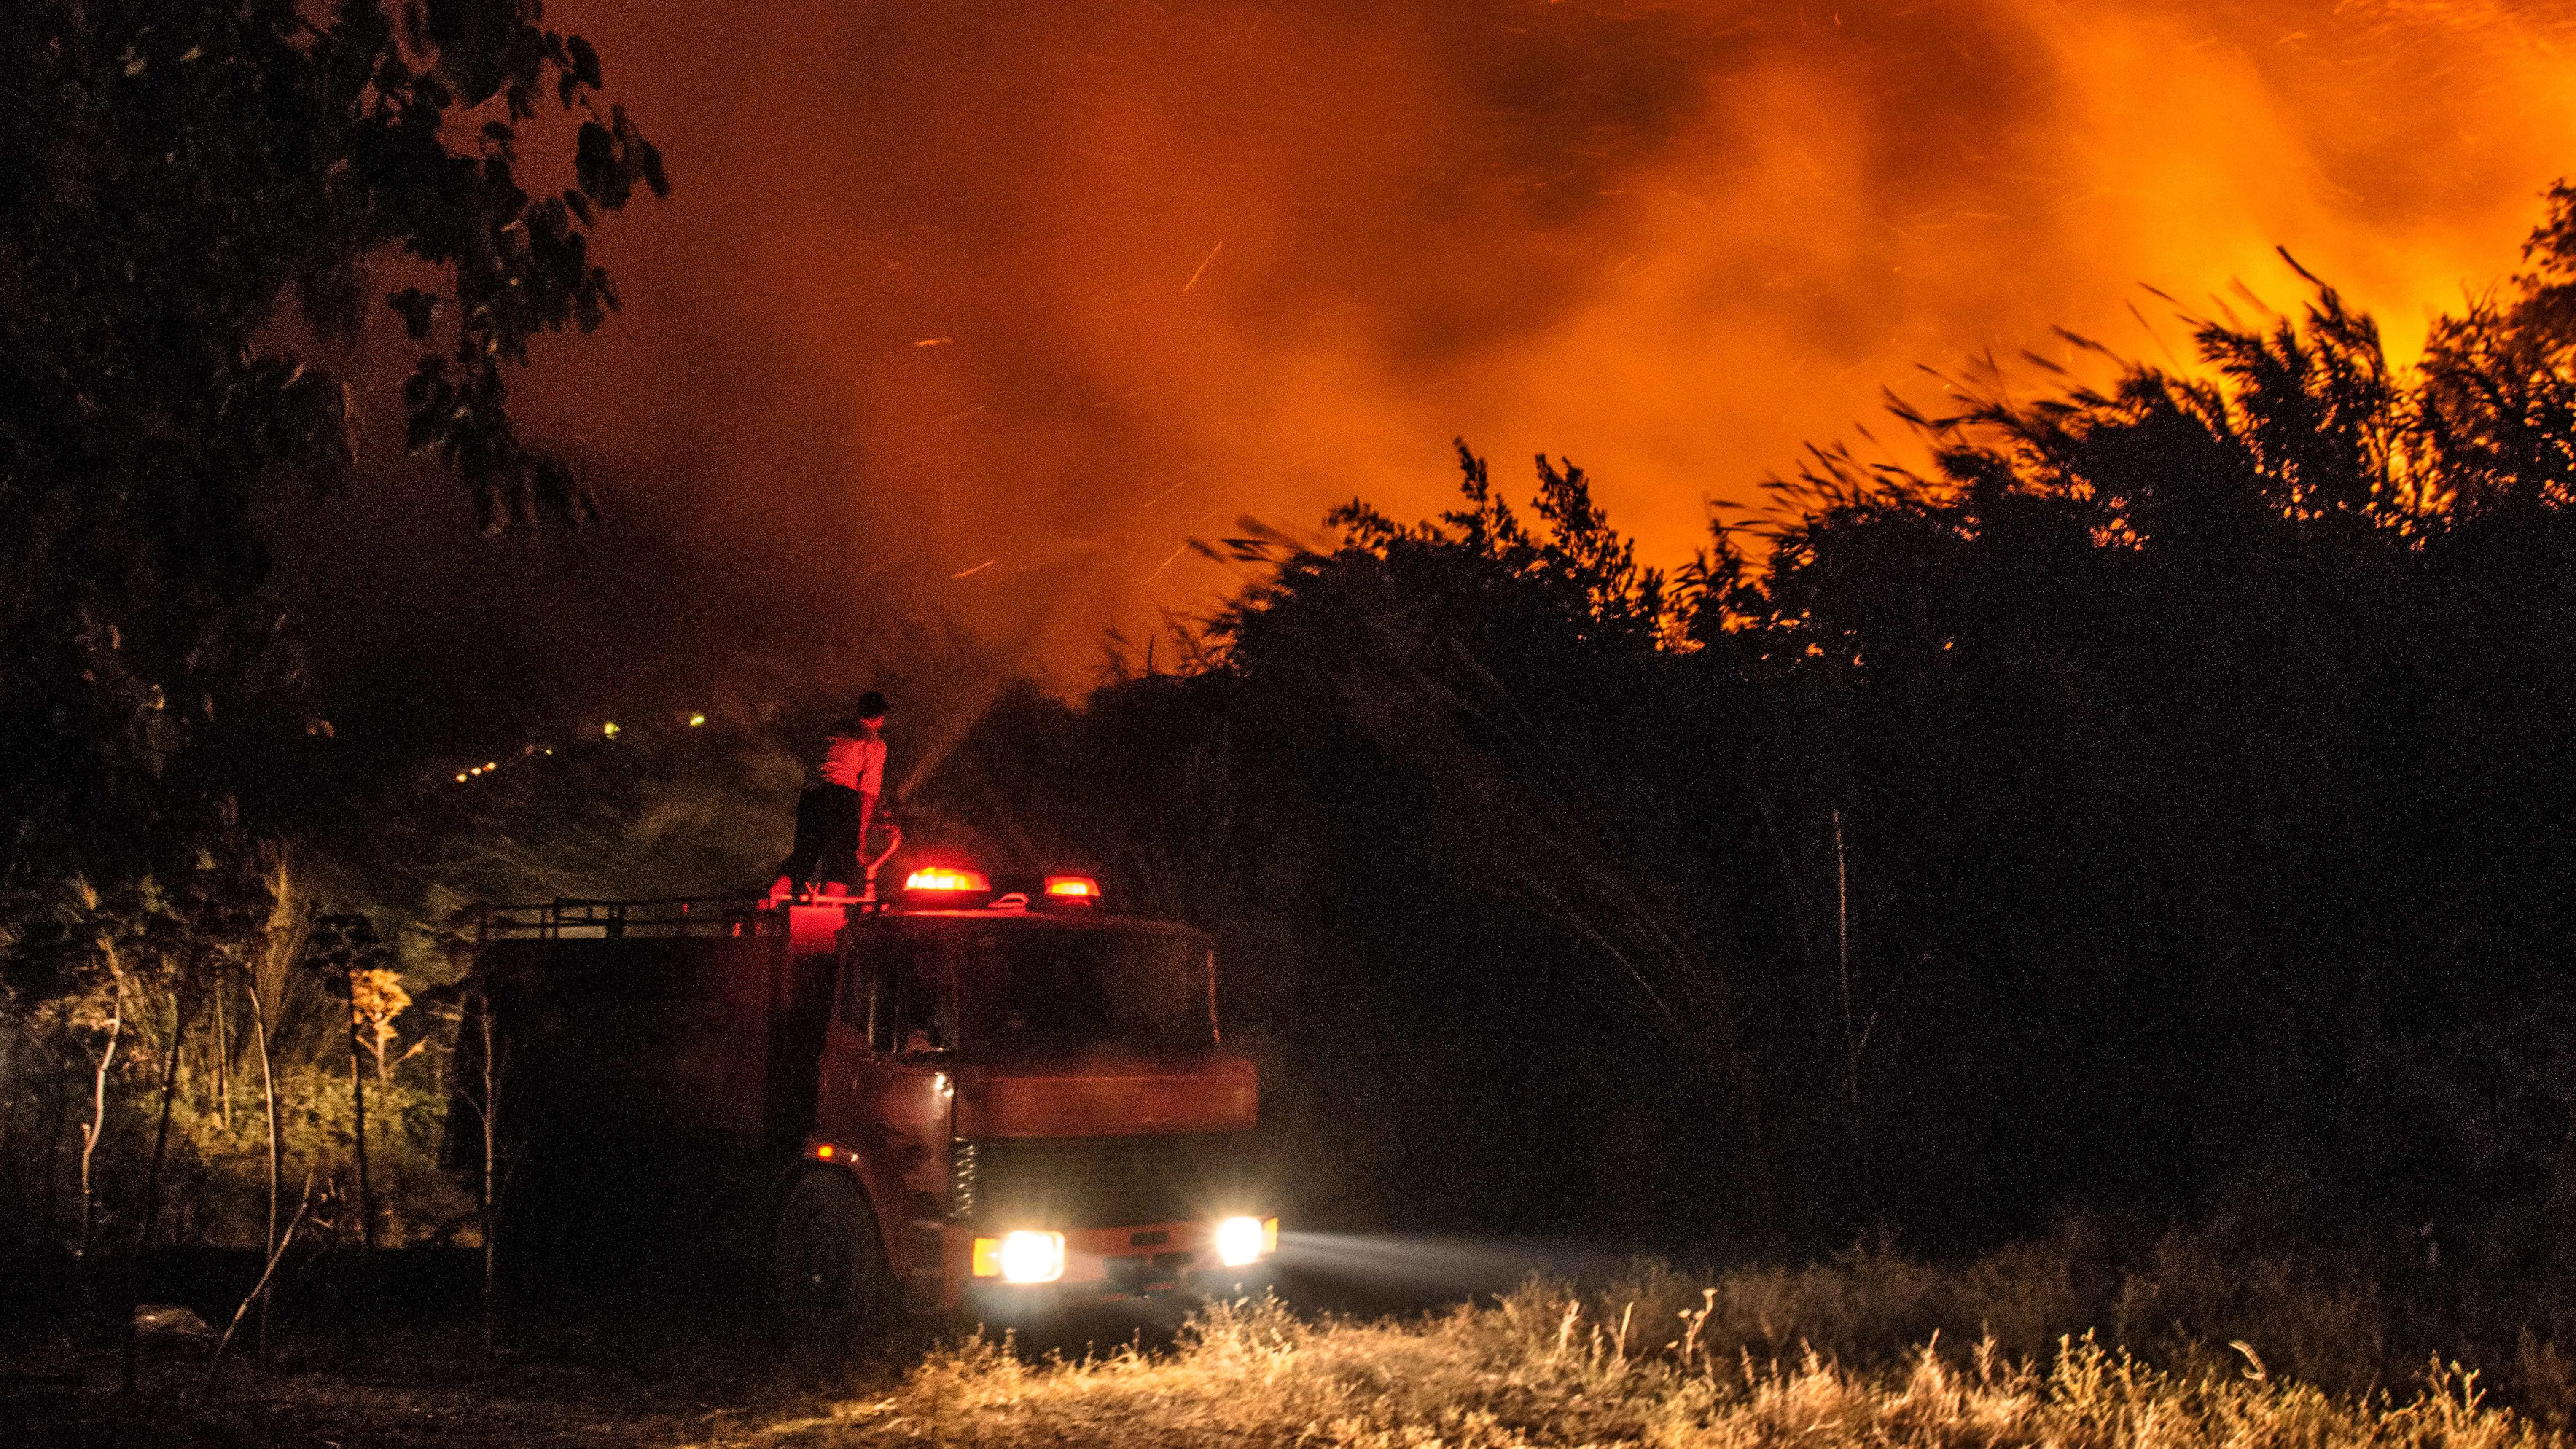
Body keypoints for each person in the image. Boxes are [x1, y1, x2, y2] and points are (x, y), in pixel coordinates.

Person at [772, 692, 889, 898]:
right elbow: (869, 792)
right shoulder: (873, 743)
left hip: (812, 797)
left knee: (802, 859)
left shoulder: (831, 731)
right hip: (842, 798)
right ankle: (829, 920)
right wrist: (860, 835)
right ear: (880, 718)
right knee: (840, 865)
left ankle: (762, 911)